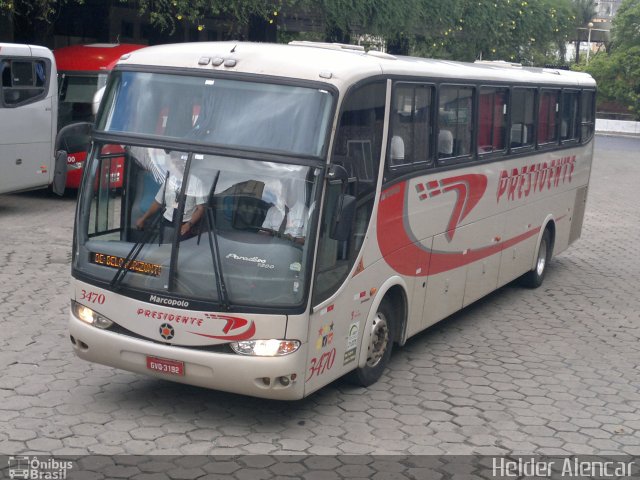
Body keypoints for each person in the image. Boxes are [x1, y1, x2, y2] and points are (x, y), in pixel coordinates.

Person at [135, 149, 206, 241]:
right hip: (168, 222)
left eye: (179, 162)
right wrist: (143, 219)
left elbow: (201, 209)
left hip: (185, 223)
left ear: (185, 163)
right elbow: (157, 203)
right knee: (164, 248)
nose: (177, 166)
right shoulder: (168, 180)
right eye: (174, 163)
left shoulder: (196, 182)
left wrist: (189, 225)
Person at [261, 179, 308, 243]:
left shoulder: (304, 211)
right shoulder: (272, 211)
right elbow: (264, 233)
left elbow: (306, 240)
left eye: (289, 191)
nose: (284, 194)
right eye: (283, 191)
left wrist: (293, 239)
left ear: (295, 192)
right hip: (271, 247)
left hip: (293, 248)